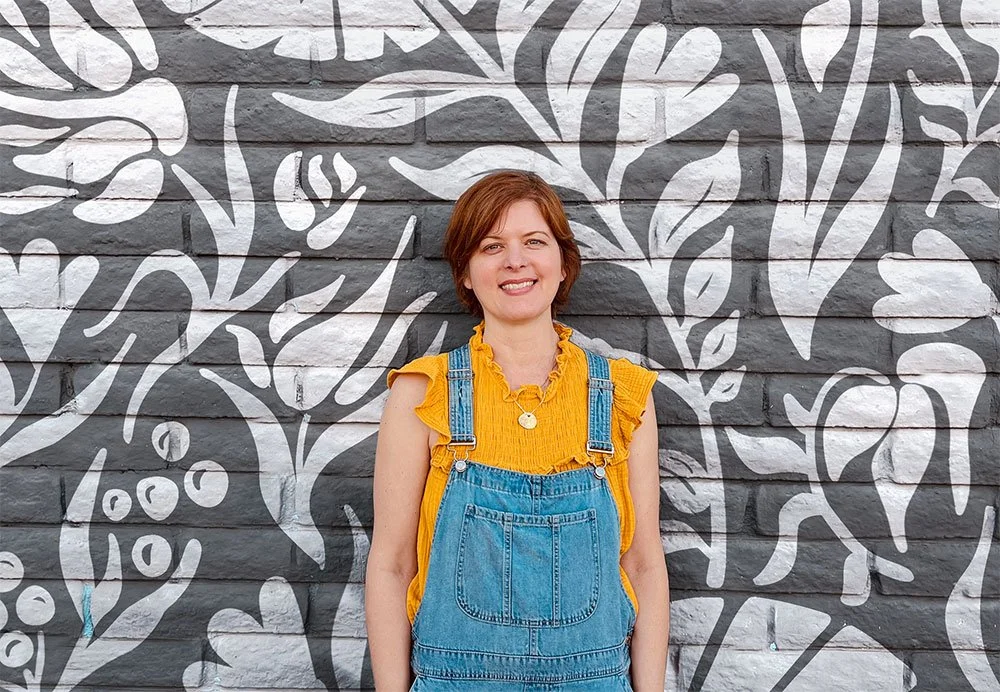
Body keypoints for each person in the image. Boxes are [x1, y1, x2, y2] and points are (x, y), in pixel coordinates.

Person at [366, 171, 669, 690]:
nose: (515, 261)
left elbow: (643, 565)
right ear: (465, 272)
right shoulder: (422, 394)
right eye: (491, 246)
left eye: (534, 241)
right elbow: (391, 567)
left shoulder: (622, 396)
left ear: (562, 261)